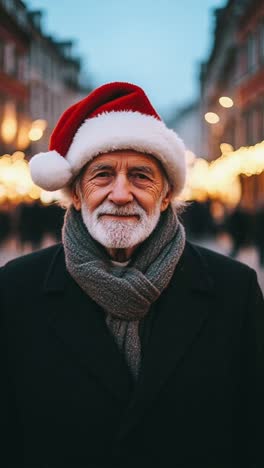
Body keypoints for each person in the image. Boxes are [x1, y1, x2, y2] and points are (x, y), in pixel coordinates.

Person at [0, 82, 263, 468]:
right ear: (75, 193)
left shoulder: (233, 289)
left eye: (141, 176)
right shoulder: (17, 289)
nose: (121, 194)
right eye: (102, 175)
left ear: (167, 193)